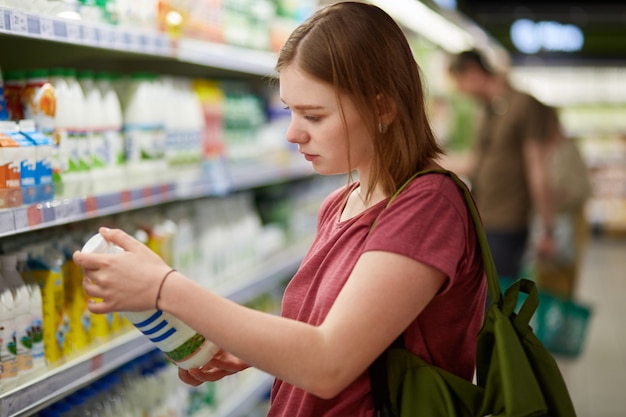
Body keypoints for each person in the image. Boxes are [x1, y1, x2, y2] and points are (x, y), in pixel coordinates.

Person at [73, 3, 487, 416]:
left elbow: (329, 363)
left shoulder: (429, 207)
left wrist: (165, 288)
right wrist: (255, 351)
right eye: (290, 111)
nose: (292, 133)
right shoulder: (340, 204)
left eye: (314, 115)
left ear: (382, 107)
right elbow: (328, 334)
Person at [447, 49, 558, 281]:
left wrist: (547, 228)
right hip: (484, 218)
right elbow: (475, 161)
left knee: (497, 301)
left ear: (474, 73)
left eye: (460, 82)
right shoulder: (486, 110)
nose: (460, 91)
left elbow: (537, 167)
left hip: (508, 223)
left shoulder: (522, 104)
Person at [533, 127, 592, 298]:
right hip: (545, 225)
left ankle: (559, 319)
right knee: (544, 282)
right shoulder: (536, 148)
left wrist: (555, 196)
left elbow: (582, 189)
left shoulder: (567, 149)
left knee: (561, 280)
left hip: (564, 223)